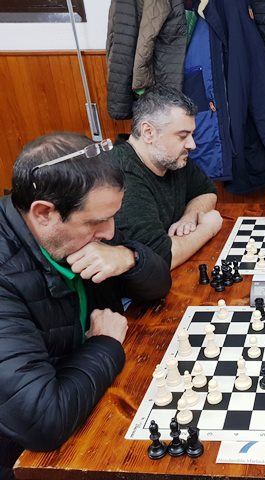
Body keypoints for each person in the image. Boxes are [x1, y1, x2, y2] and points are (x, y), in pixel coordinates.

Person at [0, 133, 171, 479]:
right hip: (25, 459)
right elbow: (42, 421)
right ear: (44, 213)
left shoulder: (80, 230)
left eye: (113, 217)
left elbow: (159, 286)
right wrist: (105, 343)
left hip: (89, 396)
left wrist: (129, 258)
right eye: (96, 223)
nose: (109, 232)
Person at [111, 85, 223, 270]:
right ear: (148, 132)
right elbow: (159, 258)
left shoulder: (171, 158)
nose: (192, 144)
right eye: (183, 136)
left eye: (192, 135)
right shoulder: (121, 176)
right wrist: (207, 229)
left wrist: (189, 217)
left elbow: (206, 192)